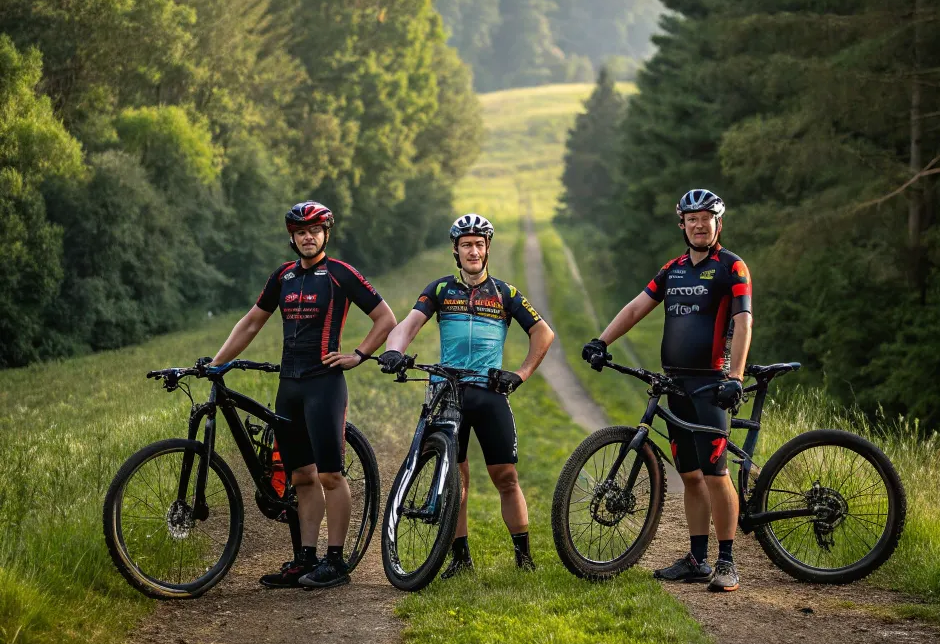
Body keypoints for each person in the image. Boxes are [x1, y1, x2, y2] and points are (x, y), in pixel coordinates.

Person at [211, 200, 396, 590]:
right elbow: (251, 323)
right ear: (292, 237)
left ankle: (336, 562)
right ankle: (305, 559)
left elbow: (385, 318)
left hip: (324, 384)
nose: (307, 237)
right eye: (300, 232)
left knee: (329, 474)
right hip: (289, 386)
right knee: (300, 476)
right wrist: (217, 363)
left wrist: (359, 355)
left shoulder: (340, 273)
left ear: (326, 233)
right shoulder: (283, 277)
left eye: (314, 230)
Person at [583, 189, 752, 592]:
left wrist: (736, 378)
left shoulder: (733, 267)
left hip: (712, 383)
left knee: (715, 472)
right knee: (691, 475)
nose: (698, 225)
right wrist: (602, 341)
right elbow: (636, 307)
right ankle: (697, 559)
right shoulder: (673, 270)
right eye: (691, 219)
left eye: (706, 218)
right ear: (682, 224)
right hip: (675, 382)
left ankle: (726, 562)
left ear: (718, 223)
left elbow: (744, 321)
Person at [378, 213, 554, 576]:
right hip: (447, 392)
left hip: (489, 393)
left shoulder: (505, 293)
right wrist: (394, 349)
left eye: (479, 244)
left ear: (487, 249)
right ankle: (460, 557)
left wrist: (520, 374)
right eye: (466, 245)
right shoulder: (441, 290)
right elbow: (408, 325)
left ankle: (524, 558)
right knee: (454, 478)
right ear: (455, 252)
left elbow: (543, 333)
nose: (473, 251)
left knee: (505, 476)